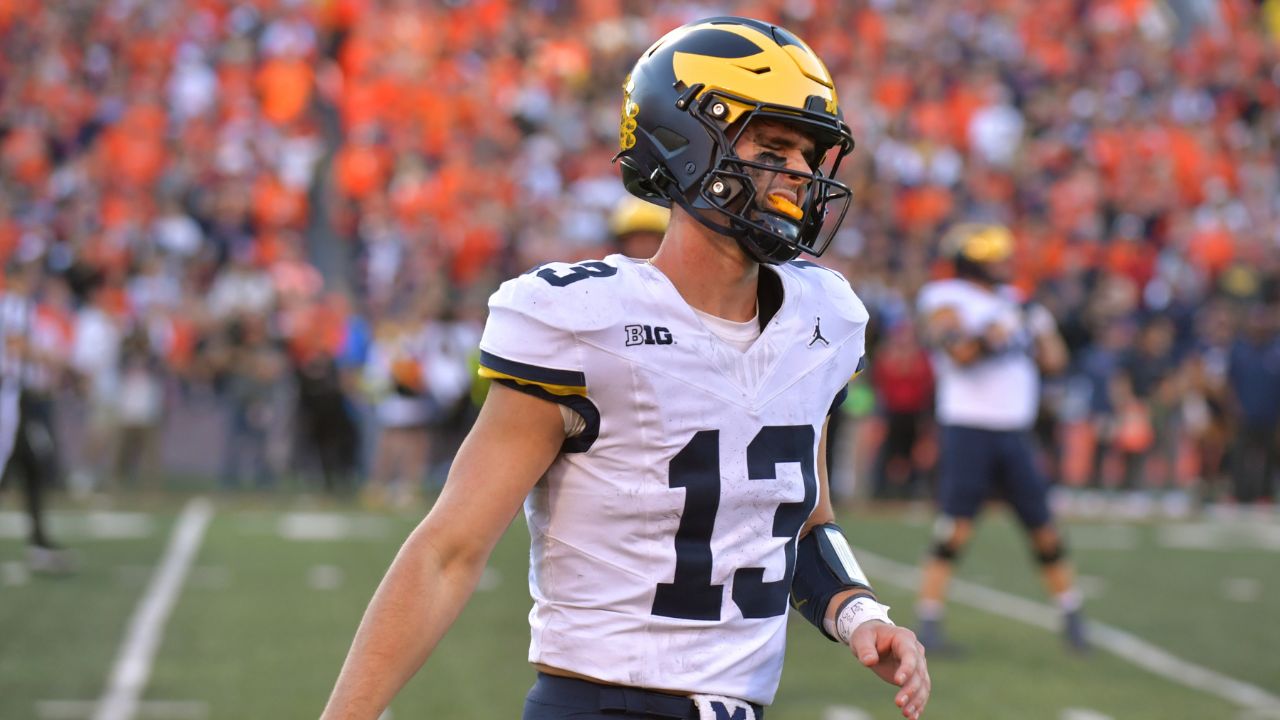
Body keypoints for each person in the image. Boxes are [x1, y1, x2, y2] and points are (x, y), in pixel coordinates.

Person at [322, 17, 929, 720]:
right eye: (773, 147)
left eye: (808, 154)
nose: (799, 174)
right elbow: (447, 554)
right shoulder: (584, 320)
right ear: (689, 143)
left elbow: (796, 520)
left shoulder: (823, 318)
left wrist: (859, 614)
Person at [914, 222, 1087, 653]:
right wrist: (992, 334)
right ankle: (930, 619)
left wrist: (1035, 326)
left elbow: (1055, 360)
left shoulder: (1019, 303)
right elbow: (957, 350)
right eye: (996, 256)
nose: (1006, 264)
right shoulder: (946, 296)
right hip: (969, 428)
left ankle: (1071, 613)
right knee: (955, 527)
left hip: (1015, 431)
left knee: (1043, 527)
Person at [0, 259, 72, 574]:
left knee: (31, 467)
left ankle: (39, 541)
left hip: (18, 398)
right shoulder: (14, 305)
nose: (33, 278)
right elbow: (16, 346)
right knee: (23, 466)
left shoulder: (23, 306)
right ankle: (39, 541)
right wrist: (52, 359)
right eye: (27, 273)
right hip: (9, 398)